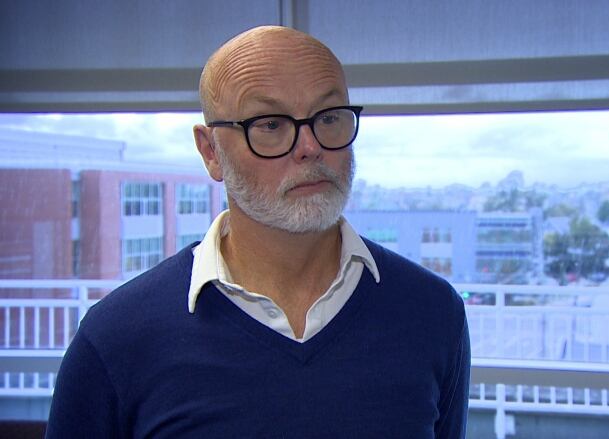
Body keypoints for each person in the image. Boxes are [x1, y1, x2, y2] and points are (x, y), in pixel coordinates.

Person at [46, 25, 470, 438]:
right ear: (210, 151)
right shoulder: (117, 338)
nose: (311, 146)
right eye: (270, 124)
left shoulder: (432, 313)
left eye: (329, 116)